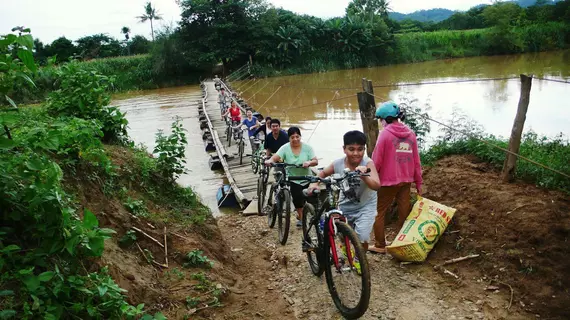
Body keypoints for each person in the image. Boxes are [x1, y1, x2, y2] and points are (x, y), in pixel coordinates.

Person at [308, 131, 380, 249]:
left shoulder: (367, 163)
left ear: (364, 149)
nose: (356, 153)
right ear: (344, 149)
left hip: (366, 206)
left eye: (360, 149)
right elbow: (323, 173)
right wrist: (314, 183)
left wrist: (364, 176)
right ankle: (348, 254)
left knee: (363, 236)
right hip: (345, 205)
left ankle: (360, 260)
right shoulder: (338, 163)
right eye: (351, 149)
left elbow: (377, 185)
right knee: (342, 234)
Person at [368, 101, 423, 254]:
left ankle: (380, 245)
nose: (380, 123)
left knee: (378, 212)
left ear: (384, 119)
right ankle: (401, 242)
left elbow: (377, 160)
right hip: (406, 180)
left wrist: (370, 177)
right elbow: (416, 161)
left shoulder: (385, 134)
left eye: (380, 120)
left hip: (388, 182)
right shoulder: (411, 134)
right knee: (403, 211)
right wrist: (418, 182)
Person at [265, 127, 318, 227]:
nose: (295, 139)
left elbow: (315, 161)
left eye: (297, 136)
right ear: (289, 138)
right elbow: (275, 157)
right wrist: (270, 161)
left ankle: (310, 216)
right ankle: (301, 217)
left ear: (300, 136)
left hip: (307, 177)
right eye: (292, 137)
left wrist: (309, 162)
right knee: (297, 199)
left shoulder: (307, 148)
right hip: (293, 178)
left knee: (311, 199)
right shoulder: (285, 148)